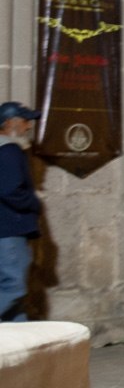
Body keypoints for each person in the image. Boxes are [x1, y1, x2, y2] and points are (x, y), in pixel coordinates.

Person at [0, 101, 42, 322]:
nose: (28, 127)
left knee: (15, 299)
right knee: (14, 286)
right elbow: (9, 190)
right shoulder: (9, 150)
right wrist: (35, 204)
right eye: (25, 121)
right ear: (9, 123)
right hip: (9, 229)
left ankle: (21, 347)